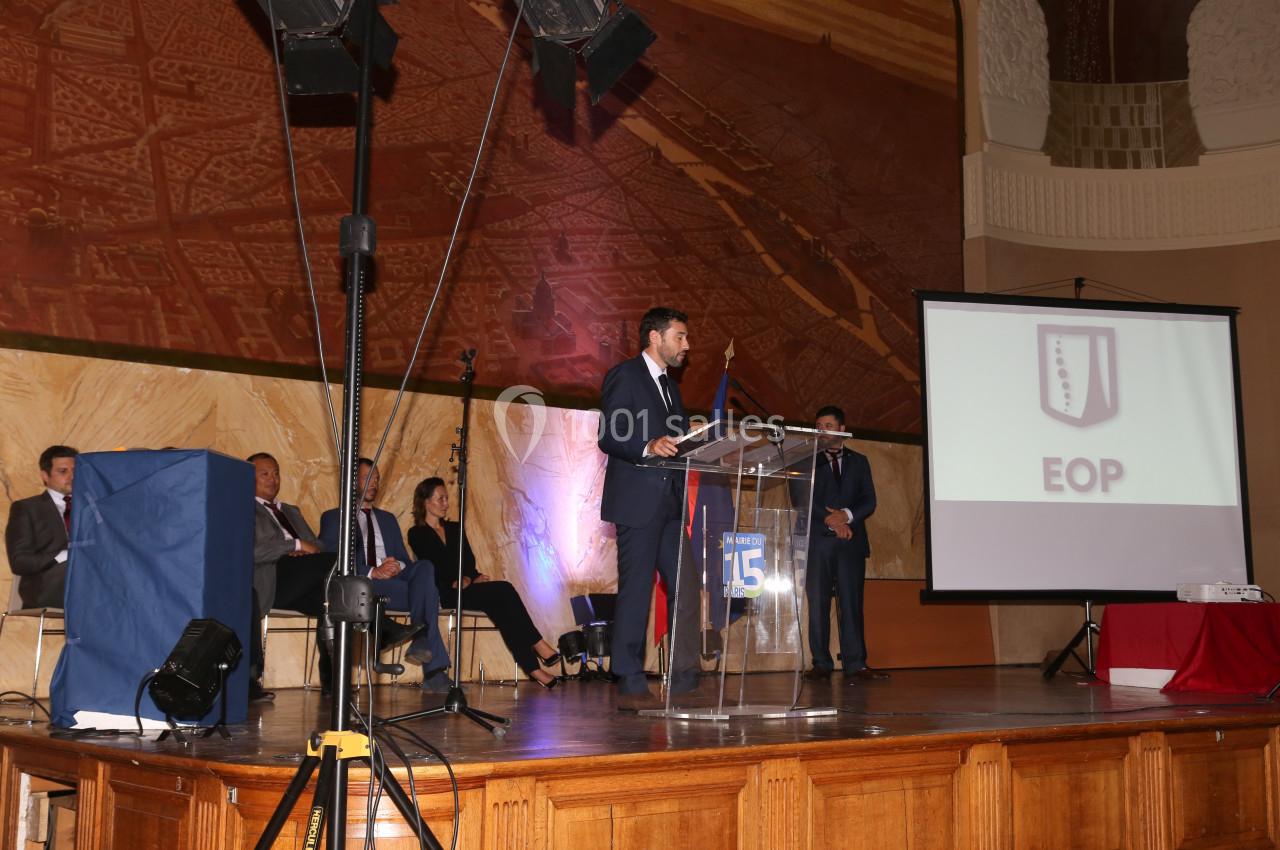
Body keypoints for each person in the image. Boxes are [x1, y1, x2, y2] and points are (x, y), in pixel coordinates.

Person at [597, 306, 703, 711]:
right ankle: (629, 676)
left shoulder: (670, 387)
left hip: (672, 501)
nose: (686, 345)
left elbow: (672, 438)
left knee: (687, 587)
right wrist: (647, 444)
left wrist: (693, 436)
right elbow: (610, 434)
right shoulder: (626, 375)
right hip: (638, 499)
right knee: (637, 589)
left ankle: (685, 676)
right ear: (655, 338)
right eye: (680, 336)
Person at [250, 452, 420, 700]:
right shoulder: (245, 508)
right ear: (248, 478)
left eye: (276, 473)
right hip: (274, 579)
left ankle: (333, 680)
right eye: (264, 473)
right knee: (337, 559)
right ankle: (380, 626)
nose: (273, 478)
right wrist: (294, 546)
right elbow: (251, 551)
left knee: (333, 599)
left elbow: (316, 543)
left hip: (303, 580)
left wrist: (306, 548)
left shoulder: (290, 510)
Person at [406, 477, 560, 688]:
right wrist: (459, 579)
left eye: (446, 498)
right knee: (503, 591)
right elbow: (435, 564)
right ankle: (537, 645)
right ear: (425, 502)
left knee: (501, 607)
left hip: (467, 586)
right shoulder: (416, 533)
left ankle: (533, 668)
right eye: (440, 499)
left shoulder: (455, 528)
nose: (446, 503)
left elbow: (468, 560)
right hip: (446, 592)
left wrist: (469, 578)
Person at [318, 458, 452, 693]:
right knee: (426, 595)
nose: (374, 483)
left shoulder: (388, 519)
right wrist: (372, 571)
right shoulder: (334, 516)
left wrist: (397, 565)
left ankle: (422, 641)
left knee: (425, 568)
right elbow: (332, 558)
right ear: (351, 481)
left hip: (395, 583)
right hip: (363, 586)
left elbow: (404, 558)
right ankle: (433, 670)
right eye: (367, 478)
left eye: (377, 478)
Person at [798, 406, 884, 681]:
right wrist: (832, 520)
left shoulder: (860, 461)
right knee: (819, 602)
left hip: (851, 543)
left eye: (828, 425)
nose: (822, 430)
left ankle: (855, 663)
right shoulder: (805, 460)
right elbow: (800, 498)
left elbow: (868, 500)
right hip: (818, 544)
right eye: (819, 426)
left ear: (842, 429)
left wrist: (846, 517)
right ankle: (821, 663)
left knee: (851, 603)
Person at [5, 445, 77, 610]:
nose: (72, 476)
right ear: (45, 476)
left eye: (76, 470)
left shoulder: (92, 507)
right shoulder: (27, 508)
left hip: (88, 578)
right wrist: (62, 556)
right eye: (63, 471)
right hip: (43, 585)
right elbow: (19, 562)